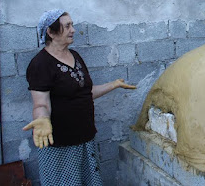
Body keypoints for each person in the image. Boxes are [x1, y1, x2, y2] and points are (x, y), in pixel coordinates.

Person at [22, 9, 137, 185]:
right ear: (51, 32)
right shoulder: (40, 64)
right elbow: (41, 104)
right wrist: (42, 118)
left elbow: (84, 93)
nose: (73, 29)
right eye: (67, 26)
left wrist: (113, 85)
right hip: (61, 145)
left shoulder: (74, 56)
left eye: (72, 25)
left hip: (84, 139)